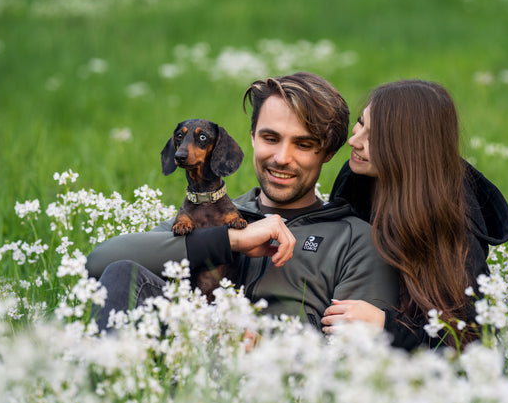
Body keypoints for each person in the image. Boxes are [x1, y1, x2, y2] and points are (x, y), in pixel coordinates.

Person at [86, 72, 398, 331]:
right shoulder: (214, 214)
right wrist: (231, 239)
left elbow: (356, 354)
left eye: (303, 144)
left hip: (274, 386)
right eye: (270, 138)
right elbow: (100, 263)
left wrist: (266, 344)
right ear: (251, 137)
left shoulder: (353, 237)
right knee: (124, 274)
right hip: (180, 375)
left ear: (328, 153)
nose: (281, 158)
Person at [321, 80, 508, 351]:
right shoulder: (358, 178)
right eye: (361, 123)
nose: (354, 141)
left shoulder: (456, 226)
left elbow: (466, 342)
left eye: (375, 138)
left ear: (409, 150)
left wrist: (382, 325)